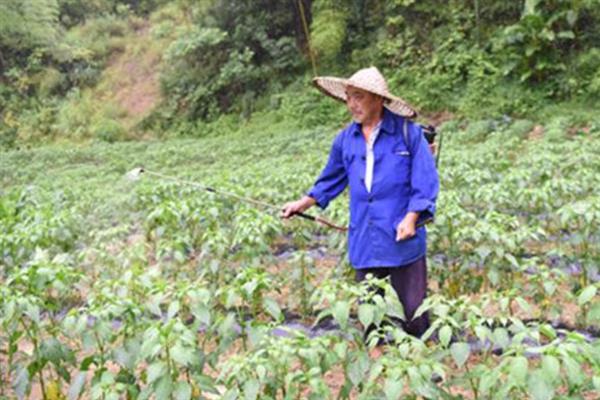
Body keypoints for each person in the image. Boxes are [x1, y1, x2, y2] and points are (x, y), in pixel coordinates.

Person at [281, 66, 439, 338]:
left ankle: (419, 360)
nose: (352, 104)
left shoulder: (408, 134)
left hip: (402, 233)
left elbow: (425, 182)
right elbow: (331, 178)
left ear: (379, 99)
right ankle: (376, 363)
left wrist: (412, 217)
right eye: (349, 97)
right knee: (370, 311)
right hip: (365, 234)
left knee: (413, 310)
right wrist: (302, 203)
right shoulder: (345, 140)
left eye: (359, 97)